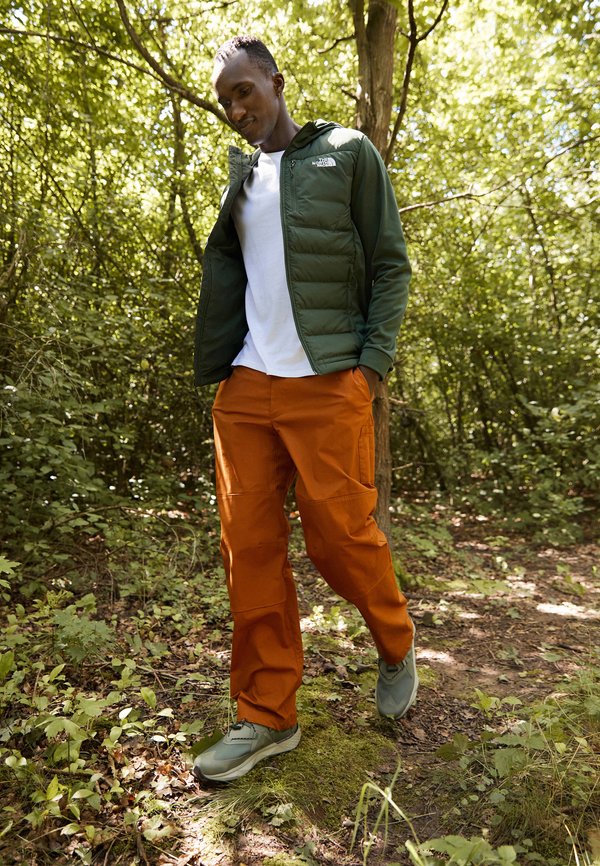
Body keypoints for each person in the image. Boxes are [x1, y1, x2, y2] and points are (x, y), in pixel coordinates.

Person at [193, 35, 417, 783]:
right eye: (226, 101)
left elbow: (390, 264)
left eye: (245, 91)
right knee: (249, 550)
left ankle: (395, 641)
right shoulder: (241, 178)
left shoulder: (346, 154)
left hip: (326, 381)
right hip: (245, 387)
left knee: (341, 538)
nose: (236, 109)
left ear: (275, 81)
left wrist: (370, 369)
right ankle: (267, 715)